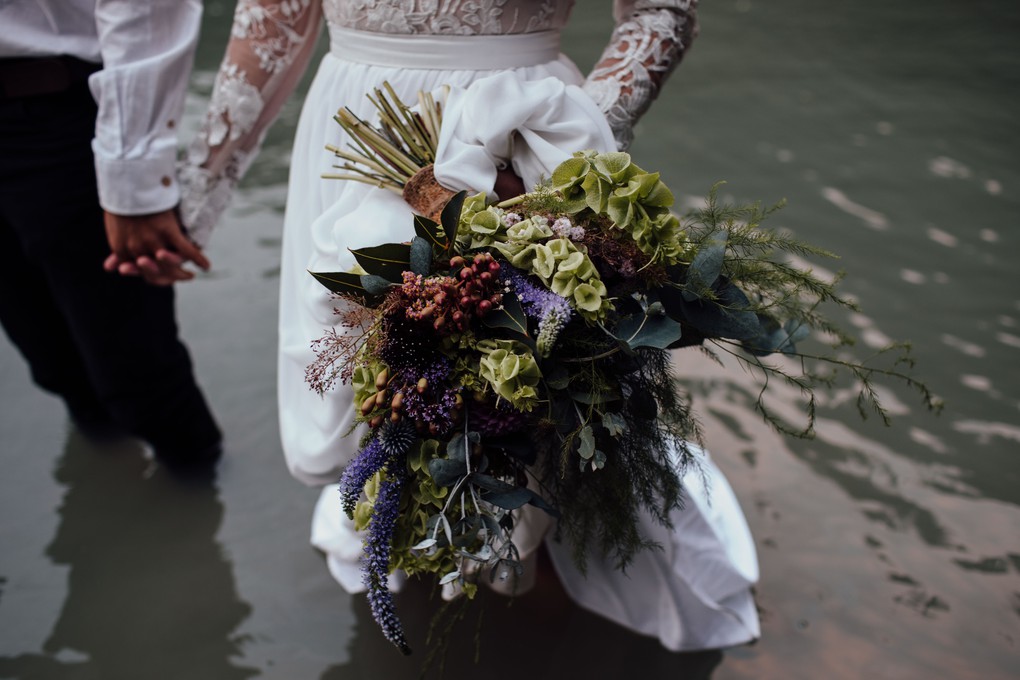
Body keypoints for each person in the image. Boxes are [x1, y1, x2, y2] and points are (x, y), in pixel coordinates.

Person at [120, 0, 761, 652]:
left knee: (531, 423)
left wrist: (557, 147)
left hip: (521, 147)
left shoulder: (537, 148)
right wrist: (188, 197)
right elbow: (274, 20)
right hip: (354, 141)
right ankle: (426, 569)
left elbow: (660, 14)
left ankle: (525, 615)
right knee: (385, 401)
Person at [0, 1, 222, 476]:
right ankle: (110, 475)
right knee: (49, 358)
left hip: (49, 113)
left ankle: (196, 492)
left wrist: (133, 179)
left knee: (138, 374)